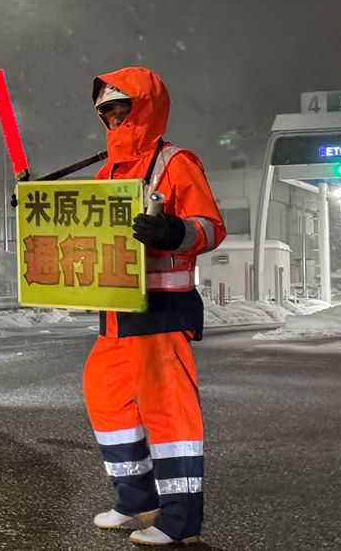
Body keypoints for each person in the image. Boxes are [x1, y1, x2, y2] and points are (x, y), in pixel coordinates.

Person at [83, 67, 225, 546]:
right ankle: (136, 498)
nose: (115, 119)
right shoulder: (108, 171)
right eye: (107, 111)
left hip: (162, 306)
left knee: (169, 412)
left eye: (123, 109)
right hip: (116, 309)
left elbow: (210, 226)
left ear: (145, 109)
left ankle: (180, 517)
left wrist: (172, 232)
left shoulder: (176, 162)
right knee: (105, 398)